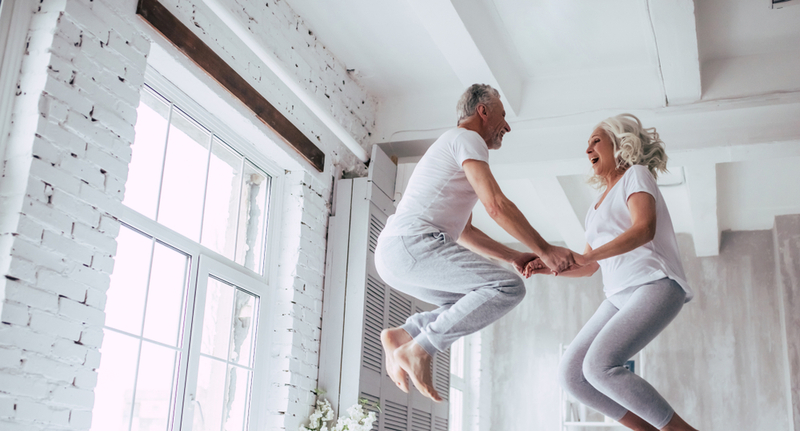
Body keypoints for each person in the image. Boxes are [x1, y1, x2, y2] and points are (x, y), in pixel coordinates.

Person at [374, 84, 575, 401]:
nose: (507, 126)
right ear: (483, 111)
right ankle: (421, 349)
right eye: (503, 116)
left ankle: (406, 335)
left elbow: (465, 231)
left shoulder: (453, 147)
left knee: (471, 301)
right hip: (411, 244)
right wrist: (544, 250)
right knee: (507, 288)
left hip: (396, 252)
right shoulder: (467, 139)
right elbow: (496, 205)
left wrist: (512, 256)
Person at [526, 114, 698, 431]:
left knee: (599, 365)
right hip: (618, 295)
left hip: (655, 284)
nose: (588, 149)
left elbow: (644, 228)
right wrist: (547, 268)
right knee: (572, 375)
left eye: (595, 140)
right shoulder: (594, 208)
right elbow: (589, 266)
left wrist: (587, 254)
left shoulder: (636, 175)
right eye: (587, 144)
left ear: (619, 143)